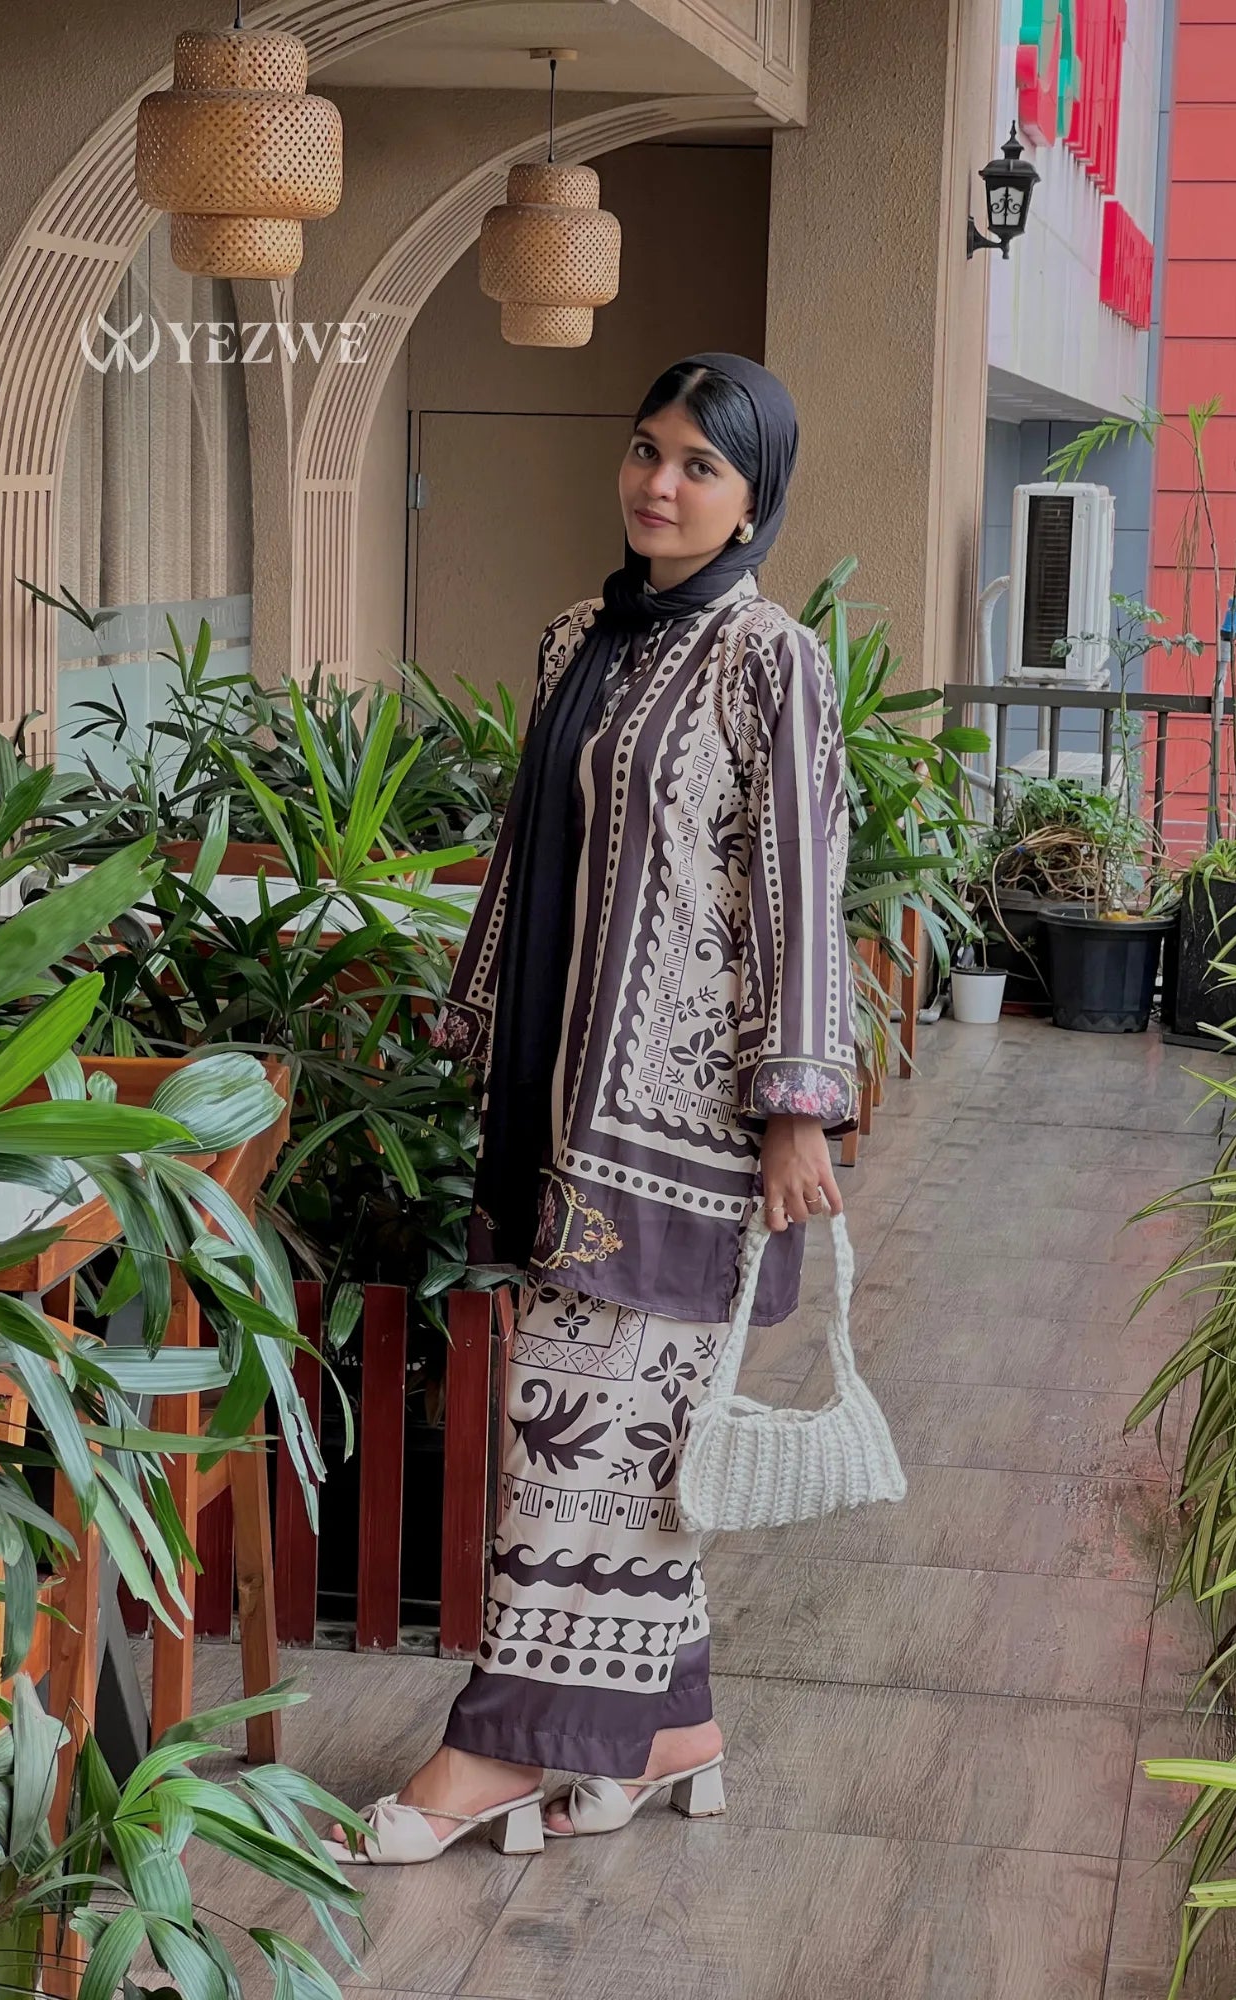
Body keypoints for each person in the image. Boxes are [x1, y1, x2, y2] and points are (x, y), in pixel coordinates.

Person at [326, 352, 857, 1866]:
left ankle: (502, 1748)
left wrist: (797, 1105)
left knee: (571, 1436)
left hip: (685, 1131)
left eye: (699, 463)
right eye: (647, 450)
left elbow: (798, 890)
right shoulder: (580, 637)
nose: (659, 483)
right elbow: (521, 854)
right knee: (619, 1443)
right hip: (559, 1107)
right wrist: (474, 1013)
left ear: (756, 498)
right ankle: (675, 1730)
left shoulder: (772, 660)